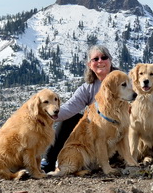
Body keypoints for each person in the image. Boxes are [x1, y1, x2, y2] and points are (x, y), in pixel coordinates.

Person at [41, 44, 119, 173]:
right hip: (97, 135)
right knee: (71, 119)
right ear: (90, 65)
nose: (100, 61)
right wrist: (44, 116)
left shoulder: (122, 82)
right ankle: (49, 162)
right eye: (95, 59)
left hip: (117, 135)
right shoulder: (87, 88)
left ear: (110, 61)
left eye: (104, 57)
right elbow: (68, 109)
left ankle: (124, 158)